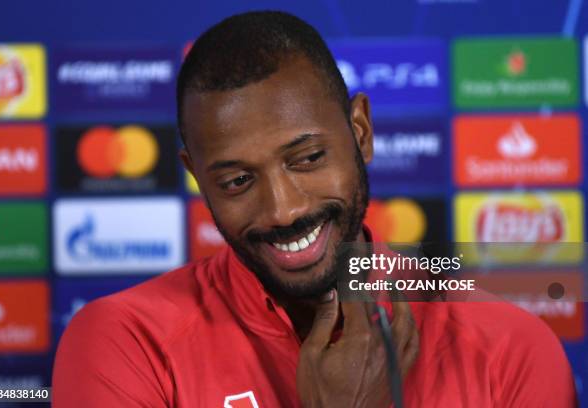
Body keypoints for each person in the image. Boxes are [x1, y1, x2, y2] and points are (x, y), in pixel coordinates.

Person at [52, 11, 577, 407]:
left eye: (307, 159)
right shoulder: (126, 343)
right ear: (197, 178)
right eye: (237, 180)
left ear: (361, 132)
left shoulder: (510, 351)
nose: (282, 210)